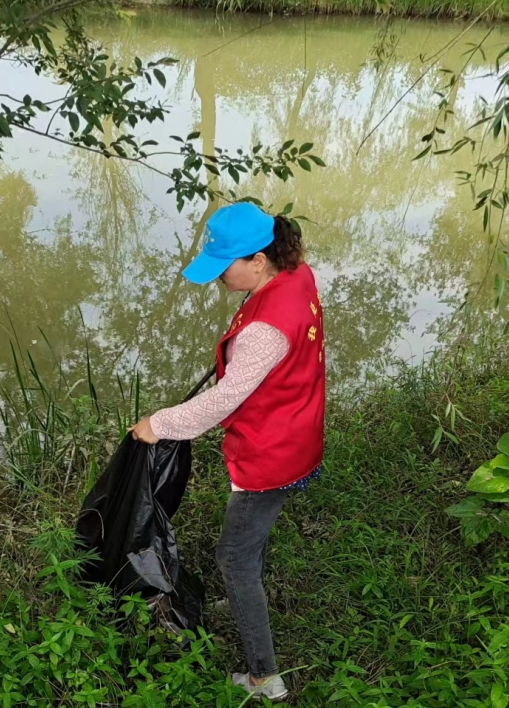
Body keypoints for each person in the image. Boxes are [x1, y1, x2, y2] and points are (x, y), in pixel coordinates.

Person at [129, 202, 325, 701]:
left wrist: (159, 424)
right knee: (247, 549)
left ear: (259, 260)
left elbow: (222, 401)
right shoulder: (297, 274)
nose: (219, 277)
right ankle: (245, 597)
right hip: (298, 434)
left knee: (233, 558)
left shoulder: (263, 331)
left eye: (226, 266)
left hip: (269, 455)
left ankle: (265, 678)